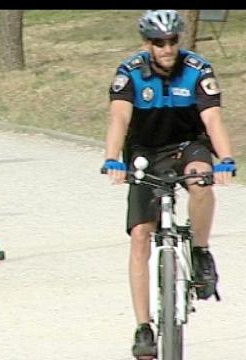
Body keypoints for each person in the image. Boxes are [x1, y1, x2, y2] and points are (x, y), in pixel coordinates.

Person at [101, 10, 236, 359]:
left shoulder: (197, 70)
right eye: (158, 42)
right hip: (146, 153)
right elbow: (119, 116)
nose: (166, 48)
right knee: (141, 236)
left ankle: (201, 252)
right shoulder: (129, 73)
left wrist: (225, 158)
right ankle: (144, 327)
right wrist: (113, 157)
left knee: (201, 181)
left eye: (172, 40)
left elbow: (212, 117)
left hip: (187, 146)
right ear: (146, 44)